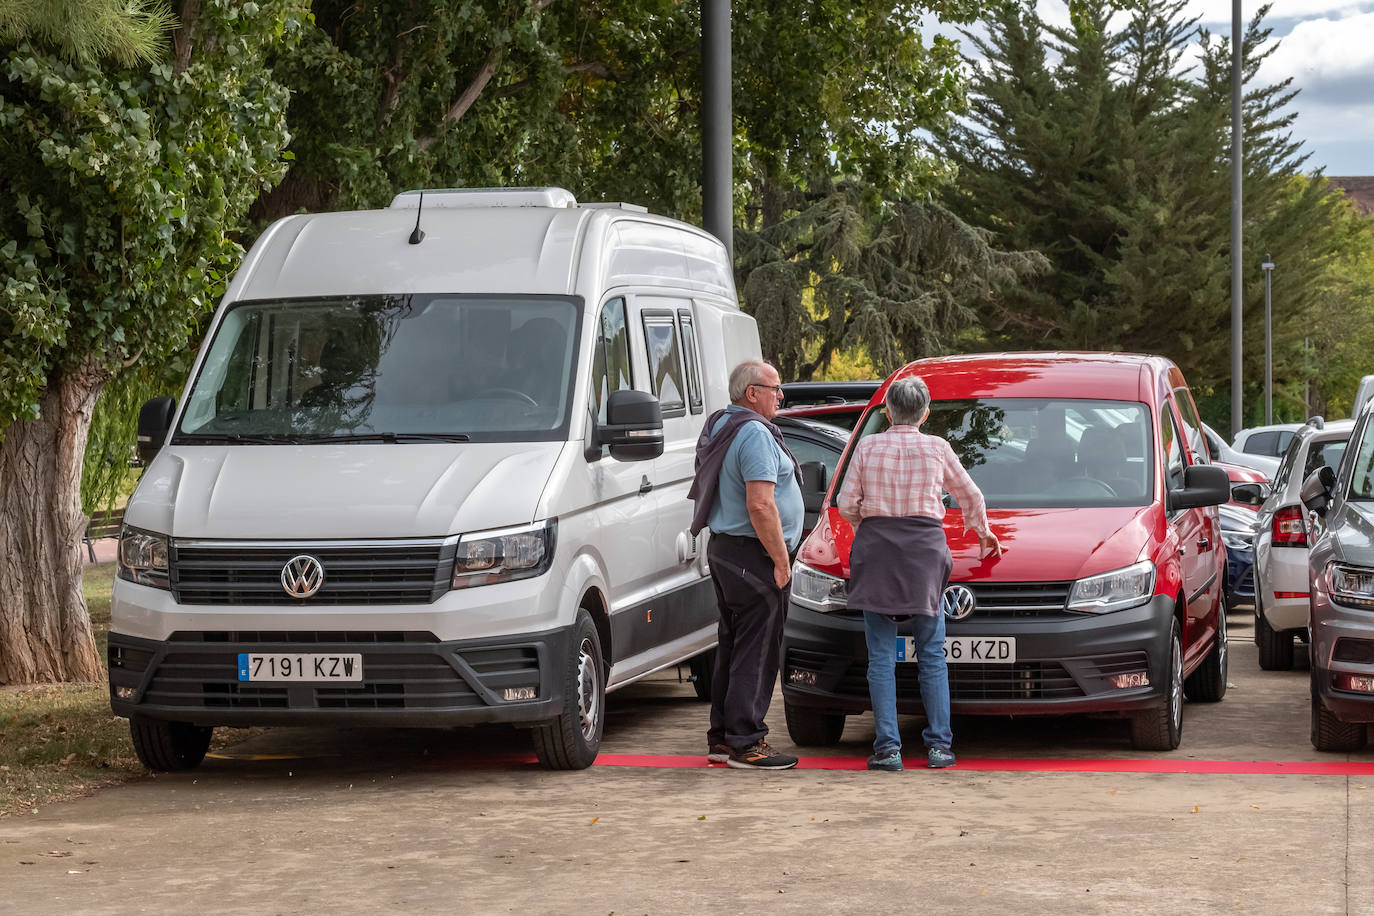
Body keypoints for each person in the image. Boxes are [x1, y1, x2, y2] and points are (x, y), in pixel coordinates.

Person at [835, 376, 1001, 771]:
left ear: (888, 411)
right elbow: (972, 495)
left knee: (880, 657)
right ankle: (940, 747)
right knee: (931, 653)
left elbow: (846, 502)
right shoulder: (937, 447)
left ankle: (888, 749)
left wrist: (867, 525)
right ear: (925, 413)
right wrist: (982, 532)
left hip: (876, 551)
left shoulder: (868, 445)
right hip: (925, 552)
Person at [687, 360, 805, 770]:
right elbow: (760, 503)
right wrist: (781, 560)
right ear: (751, 392)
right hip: (753, 555)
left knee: (734, 646)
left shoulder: (722, 423)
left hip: (725, 550)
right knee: (756, 650)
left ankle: (722, 740)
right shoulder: (753, 432)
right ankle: (746, 742)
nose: (781, 395)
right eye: (775, 388)